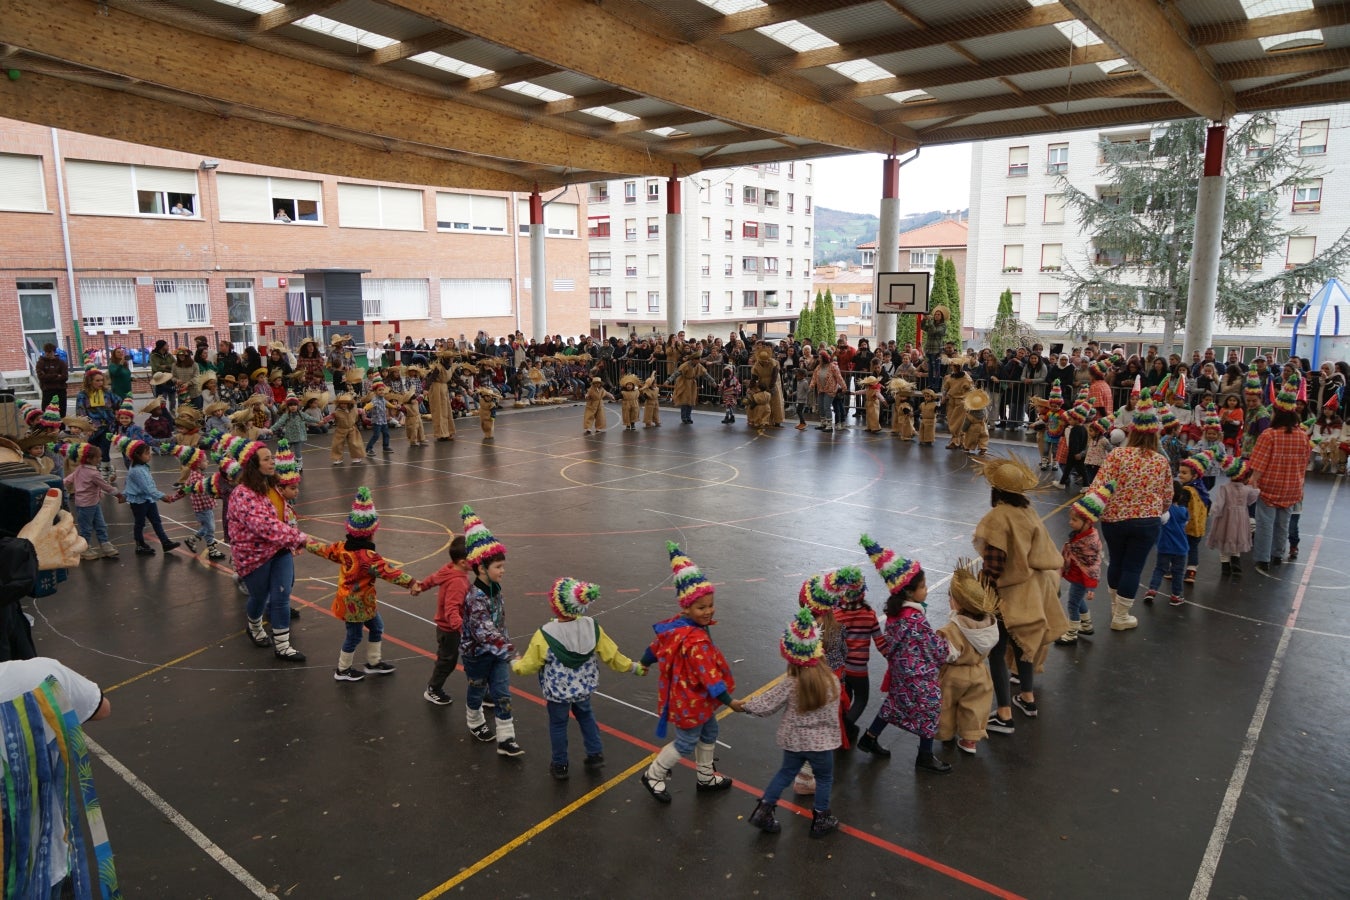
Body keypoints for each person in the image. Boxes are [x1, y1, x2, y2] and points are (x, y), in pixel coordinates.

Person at [972, 451, 1069, 732]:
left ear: (996, 488)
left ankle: (1003, 714)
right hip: (1036, 590)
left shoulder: (998, 517)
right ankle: (1027, 697)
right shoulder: (1028, 510)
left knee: (998, 649)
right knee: (1024, 646)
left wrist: (979, 596)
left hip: (1009, 594)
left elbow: (994, 565)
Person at [512, 577, 645, 780]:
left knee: (558, 724)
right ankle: (595, 754)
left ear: (555, 606)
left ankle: (560, 765)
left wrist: (515, 664)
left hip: (557, 693)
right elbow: (612, 655)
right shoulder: (592, 627)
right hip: (583, 688)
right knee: (586, 716)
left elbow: (529, 665)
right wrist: (633, 666)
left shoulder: (545, 634)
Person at [637, 542, 740, 802]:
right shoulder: (695, 641)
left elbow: (655, 647)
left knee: (710, 731)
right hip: (690, 700)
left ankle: (705, 776)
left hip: (695, 699)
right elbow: (710, 678)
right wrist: (730, 701)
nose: (708, 611)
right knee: (685, 742)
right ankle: (653, 774)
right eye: (701, 608)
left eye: (710, 605)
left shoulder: (677, 626)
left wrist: (645, 662)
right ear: (686, 608)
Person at [737, 609, 842, 838]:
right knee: (824, 778)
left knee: (785, 773)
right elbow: (834, 712)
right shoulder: (832, 682)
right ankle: (821, 818)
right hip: (822, 745)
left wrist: (744, 705)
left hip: (794, 741)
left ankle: (764, 809)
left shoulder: (791, 683)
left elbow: (767, 704)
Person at [852, 536, 951, 773]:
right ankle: (925, 756)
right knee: (930, 707)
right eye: (923, 586)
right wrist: (947, 647)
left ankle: (869, 737)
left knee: (894, 704)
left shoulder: (896, 615)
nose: (926, 590)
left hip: (900, 673)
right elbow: (935, 650)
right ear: (909, 591)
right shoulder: (916, 619)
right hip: (918, 677)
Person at [307, 488, 414, 682]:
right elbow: (390, 572)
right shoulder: (368, 557)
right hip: (355, 604)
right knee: (354, 636)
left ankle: (373, 663)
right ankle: (342, 669)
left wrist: (305, 542)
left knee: (377, 627)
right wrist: (413, 583)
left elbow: (323, 550)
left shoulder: (342, 547)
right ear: (370, 533)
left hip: (358, 602)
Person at [1086, 391, 1172, 631]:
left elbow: (1097, 487)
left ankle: (1116, 607)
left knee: (1116, 562)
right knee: (1133, 567)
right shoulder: (1160, 461)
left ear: (1132, 431)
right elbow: (1167, 498)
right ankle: (1121, 616)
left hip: (1114, 519)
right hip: (1147, 522)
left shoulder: (1117, 455)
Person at [227, 441, 309, 661]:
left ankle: (283, 646)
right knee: (260, 597)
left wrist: (293, 536)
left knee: (282, 596)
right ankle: (254, 626)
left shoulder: (271, 486)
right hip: (254, 555)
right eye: (266, 459)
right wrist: (300, 538)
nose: (272, 461)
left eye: (272, 457)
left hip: (279, 548)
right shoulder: (243, 494)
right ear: (254, 465)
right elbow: (264, 525)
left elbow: (284, 514)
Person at [458, 505, 523, 756]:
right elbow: (484, 632)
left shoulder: (495, 589)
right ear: (481, 569)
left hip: (497, 653)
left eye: (503, 566)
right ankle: (474, 720)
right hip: (477, 654)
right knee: (476, 688)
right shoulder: (475, 598)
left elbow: (498, 624)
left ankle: (506, 738)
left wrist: (504, 647)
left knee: (502, 692)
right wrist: (511, 652)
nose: (502, 571)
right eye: (498, 567)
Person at [1248, 380, 1313, 573]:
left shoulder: (1269, 435)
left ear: (1278, 413)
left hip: (1269, 486)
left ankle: (1262, 559)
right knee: (1283, 523)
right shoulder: (1302, 436)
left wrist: (1252, 482)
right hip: (1293, 487)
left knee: (1265, 523)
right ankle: (1278, 554)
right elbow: (1304, 463)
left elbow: (1259, 465)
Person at [936, 561, 1000, 755]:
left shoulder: (953, 629)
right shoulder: (989, 625)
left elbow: (945, 653)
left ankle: (945, 733)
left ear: (956, 603)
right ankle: (969, 741)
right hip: (980, 672)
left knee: (946, 705)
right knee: (974, 707)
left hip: (955, 675)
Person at [412, 536, 473, 706]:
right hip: (451, 630)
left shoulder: (448, 569)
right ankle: (433, 689)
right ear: (462, 562)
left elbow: (433, 578)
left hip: (451, 628)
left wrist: (421, 586)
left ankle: (481, 690)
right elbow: (451, 609)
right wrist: (462, 629)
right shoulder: (458, 582)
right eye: (473, 558)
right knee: (447, 661)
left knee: (470, 659)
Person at [1055, 482, 1110, 644]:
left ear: (1088, 522)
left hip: (1082, 579)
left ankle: (1071, 633)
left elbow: (1092, 566)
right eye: (1071, 519)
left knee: (1072, 603)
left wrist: (1091, 586)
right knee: (1078, 601)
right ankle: (1086, 625)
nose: (1070, 522)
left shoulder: (1089, 542)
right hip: (1077, 576)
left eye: (1075, 520)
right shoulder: (1079, 535)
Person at [117, 436, 181, 556]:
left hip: (148, 499)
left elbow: (131, 484)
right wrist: (162, 496)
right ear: (137, 455)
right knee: (140, 523)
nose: (150, 455)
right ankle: (139, 545)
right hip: (138, 502)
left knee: (156, 521)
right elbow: (147, 488)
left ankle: (165, 542)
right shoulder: (137, 471)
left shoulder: (142, 467)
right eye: (147, 453)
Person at [63, 442, 120, 560]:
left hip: (93, 503)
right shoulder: (93, 473)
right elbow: (106, 487)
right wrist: (118, 494)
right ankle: (84, 548)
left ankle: (105, 544)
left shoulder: (80, 468)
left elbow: (68, 479)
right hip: (86, 505)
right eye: (98, 457)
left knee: (101, 525)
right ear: (89, 459)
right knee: (86, 528)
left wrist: (60, 484)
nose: (100, 459)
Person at [1209, 455, 1261, 577]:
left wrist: (1213, 512)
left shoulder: (1224, 488)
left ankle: (1225, 566)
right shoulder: (1246, 489)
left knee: (1224, 540)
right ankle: (1236, 562)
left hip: (1225, 519)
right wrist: (1255, 487)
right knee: (1237, 539)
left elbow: (1219, 504)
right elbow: (1252, 499)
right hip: (1241, 519)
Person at [1143, 483, 1190, 607]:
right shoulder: (1183, 511)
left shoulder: (1162, 511)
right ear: (1180, 497)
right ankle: (1176, 596)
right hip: (1180, 548)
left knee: (1159, 569)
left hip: (1164, 546)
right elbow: (1185, 522)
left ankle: (1152, 590)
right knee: (1178, 572)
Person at [1177, 452, 1213, 583]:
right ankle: (1191, 572)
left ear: (1195, 475)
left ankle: (1173, 570)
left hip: (1186, 526)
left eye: (1184, 473)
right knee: (1193, 548)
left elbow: (1182, 508)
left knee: (1179, 547)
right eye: (1180, 472)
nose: (1180, 475)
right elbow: (1208, 505)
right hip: (1198, 527)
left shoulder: (1186, 490)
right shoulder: (1202, 489)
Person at [363, 375, 394, 456]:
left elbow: (387, 404)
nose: (381, 392)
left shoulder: (383, 399)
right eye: (379, 390)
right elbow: (370, 404)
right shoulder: (375, 400)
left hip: (383, 420)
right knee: (376, 435)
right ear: (375, 392)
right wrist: (365, 408)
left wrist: (394, 406)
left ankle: (385, 447)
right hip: (376, 421)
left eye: (383, 390)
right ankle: (369, 448)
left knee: (386, 434)